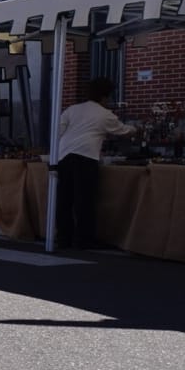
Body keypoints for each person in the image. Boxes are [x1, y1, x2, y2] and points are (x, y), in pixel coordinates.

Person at [55, 76, 136, 250]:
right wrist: (137, 129)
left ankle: (63, 238)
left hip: (64, 156)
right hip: (86, 157)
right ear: (105, 97)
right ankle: (83, 240)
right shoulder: (105, 115)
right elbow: (123, 131)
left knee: (65, 200)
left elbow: (58, 130)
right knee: (84, 201)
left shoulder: (72, 110)